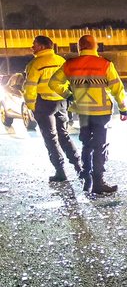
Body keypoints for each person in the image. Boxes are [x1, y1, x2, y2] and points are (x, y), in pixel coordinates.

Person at [48, 35, 127, 195]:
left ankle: (86, 177)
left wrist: (69, 95)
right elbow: (117, 89)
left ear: (80, 47)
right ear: (95, 46)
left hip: (82, 112)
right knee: (100, 146)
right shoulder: (104, 64)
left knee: (86, 144)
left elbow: (53, 83)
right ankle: (98, 182)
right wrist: (123, 108)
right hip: (101, 112)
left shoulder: (70, 65)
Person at [22, 35, 83, 184]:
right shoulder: (61, 61)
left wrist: (30, 106)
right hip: (61, 102)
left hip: (43, 104)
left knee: (50, 138)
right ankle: (78, 166)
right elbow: (69, 82)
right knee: (64, 135)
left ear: (42, 47)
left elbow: (30, 88)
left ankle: (60, 171)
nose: (32, 47)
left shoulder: (34, 64)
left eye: (34, 45)